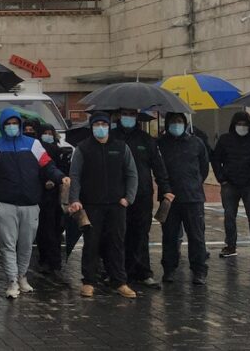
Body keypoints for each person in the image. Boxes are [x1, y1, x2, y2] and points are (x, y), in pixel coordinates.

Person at [0, 109, 67, 299]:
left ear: (19, 124)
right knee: (8, 244)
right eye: (8, 123)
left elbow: (48, 166)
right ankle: (12, 281)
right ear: (3, 126)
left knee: (26, 244)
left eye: (15, 123)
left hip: (31, 204)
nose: (12, 126)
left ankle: (22, 276)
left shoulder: (34, 144)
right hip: (5, 205)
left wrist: (61, 177)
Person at [67, 113, 138, 299]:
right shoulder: (83, 148)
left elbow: (132, 174)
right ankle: (89, 282)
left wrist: (128, 198)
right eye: (97, 124)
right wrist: (75, 199)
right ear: (91, 126)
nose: (100, 127)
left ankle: (120, 282)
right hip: (91, 205)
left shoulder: (121, 147)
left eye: (103, 124)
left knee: (116, 244)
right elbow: (75, 175)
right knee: (91, 244)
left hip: (116, 205)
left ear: (109, 126)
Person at [112, 108, 172, 288]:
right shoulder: (112, 137)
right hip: (117, 194)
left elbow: (158, 167)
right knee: (117, 234)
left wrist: (165, 188)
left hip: (143, 194)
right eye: (125, 114)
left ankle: (143, 271)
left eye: (131, 114)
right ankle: (118, 272)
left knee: (140, 234)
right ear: (119, 116)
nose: (128, 118)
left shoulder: (146, 140)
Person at [157, 112, 210, 285]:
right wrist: (165, 189)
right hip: (169, 198)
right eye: (173, 121)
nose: (176, 124)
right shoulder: (160, 144)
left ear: (185, 123)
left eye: (179, 121)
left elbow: (203, 168)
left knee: (196, 236)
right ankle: (169, 269)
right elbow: (158, 169)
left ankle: (199, 270)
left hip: (193, 198)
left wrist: (194, 184)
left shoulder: (196, 143)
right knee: (170, 236)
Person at [212, 112, 250, 260]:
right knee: (229, 216)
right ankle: (230, 245)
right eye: (239, 124)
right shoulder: (225, 140)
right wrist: (222, 179)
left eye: (245, 124)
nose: (242, 127)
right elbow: (216, 159)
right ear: (233, 125)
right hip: (229, 184)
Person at [34, 123, 69, 278]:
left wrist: (56, 181)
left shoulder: (58, 150)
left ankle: (55, 262)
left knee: (54, 230)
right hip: (40, 194)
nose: (47, 135)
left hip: (54, 196)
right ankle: (44, 260)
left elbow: (60, 169)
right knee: (43, 230)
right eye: (45, 133)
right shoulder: (36, 149)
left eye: (50, 132)